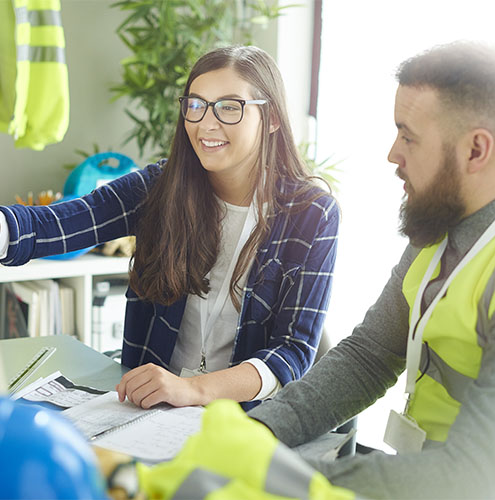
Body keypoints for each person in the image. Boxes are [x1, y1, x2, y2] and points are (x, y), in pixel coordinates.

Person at [0, 45, 339, 411]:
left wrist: (193, 389)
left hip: (244, 423)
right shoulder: (160, 187)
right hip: (147, 411)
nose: (207, 124)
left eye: (229, 107)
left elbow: (293, 352)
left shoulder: (312, 215)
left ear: (271, 117)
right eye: (196, 105)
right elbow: (56, 224)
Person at [248, 40, 495, 499]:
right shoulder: (441, 233)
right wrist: (257, 433)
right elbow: (368, 357)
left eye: (409, 136)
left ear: (475, 150)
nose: (392, 154)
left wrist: (275, 475)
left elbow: (477, 474)